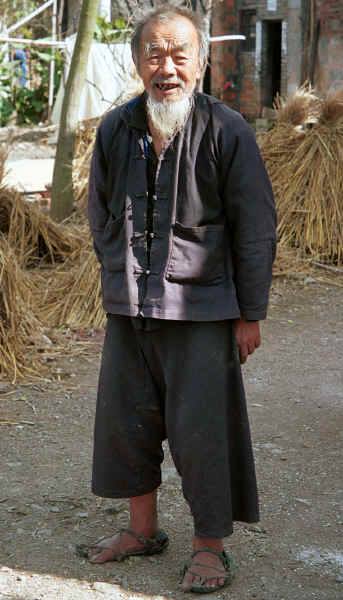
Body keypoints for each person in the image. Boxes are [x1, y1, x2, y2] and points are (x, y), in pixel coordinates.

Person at [79, 5, 276, 594]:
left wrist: (250, 313)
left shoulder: (226, 130)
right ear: (137, 61)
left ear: (202, 61)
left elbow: (255, 227)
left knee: (202, 431)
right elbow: (100, 212)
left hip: (203, 312)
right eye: (154, 54)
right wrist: (119, 278)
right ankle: (142, 531)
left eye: (179, 54)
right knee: (126, 424)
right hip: (130, 307)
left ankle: (209, 548)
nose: (166, 67)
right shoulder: (116, 129)